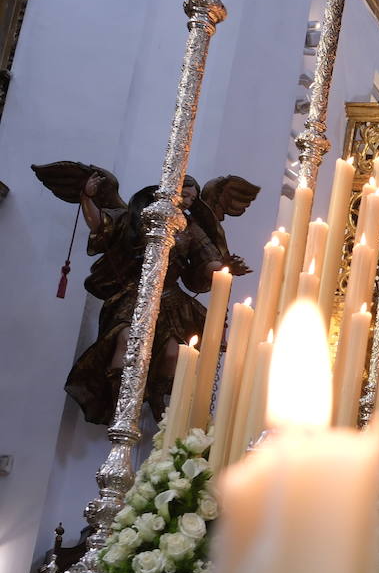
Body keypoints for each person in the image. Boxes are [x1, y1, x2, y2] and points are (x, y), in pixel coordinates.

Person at [32, 162, 258, 425]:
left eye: (193, 199)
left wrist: (226, 267)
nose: (188, 201)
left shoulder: (191, 228)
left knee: (174, 353)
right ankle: (121, 402)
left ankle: (157, 398)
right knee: (127, 340)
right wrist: (86, 196)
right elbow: (101, 226)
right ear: (170, 191)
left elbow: (207, 260)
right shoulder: (141, 216)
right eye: (185, 194)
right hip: (135, 294)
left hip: (170, 298)